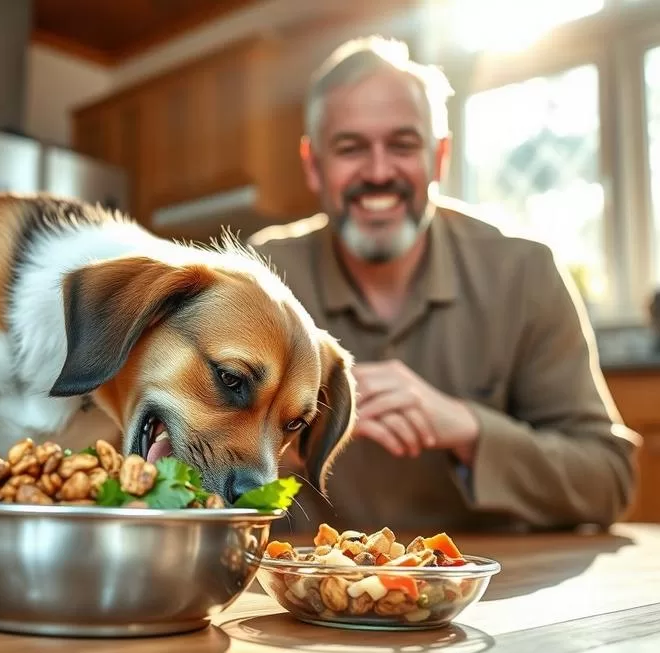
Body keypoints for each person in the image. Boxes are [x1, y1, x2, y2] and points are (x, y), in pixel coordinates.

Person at [246, 35, 641, 534]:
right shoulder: (256, 279)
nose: (379, 171)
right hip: (290, 601)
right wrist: (308, 431)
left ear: (439, 157)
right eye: (350, 148)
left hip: (492, 602)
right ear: (313, 165)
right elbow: (179, 469)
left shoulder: (526, 274)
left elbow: (608, 481)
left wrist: (469, 428)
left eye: (403, 144)